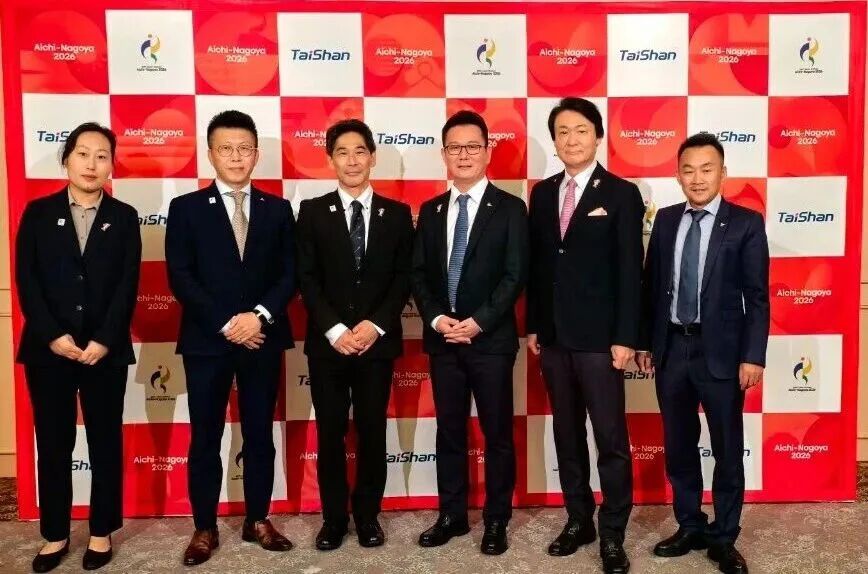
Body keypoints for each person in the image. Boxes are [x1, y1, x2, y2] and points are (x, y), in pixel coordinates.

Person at [165, 110, 296, 566]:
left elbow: (290, 273)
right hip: (207, 341)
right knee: (205, 436)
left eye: (244, 149)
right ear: (210, 154)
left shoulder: (278, 209)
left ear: (256, 154)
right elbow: (181, 276)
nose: (236, 157)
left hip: (262, 338)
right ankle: (204, 526)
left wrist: (258, 317)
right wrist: (227, 323)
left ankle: (258, 519)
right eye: (226, 148)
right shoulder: (185, 208)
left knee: (259, 433)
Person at [636, 132, 769, 574]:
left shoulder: (746, 223)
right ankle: (689, 524)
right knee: (679, 445)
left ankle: (724, 536)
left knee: (727, 448)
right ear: (678, 175)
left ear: (722, 173)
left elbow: (757, 297)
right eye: (688, 170)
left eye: (706, 169)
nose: (697, 178)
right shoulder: (666, 220)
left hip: (723, 355)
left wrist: (753, 356)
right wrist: (646, 342)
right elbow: (651, 287)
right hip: (672, 348)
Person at [526, 97, 644, 574]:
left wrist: (626, 337)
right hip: (554, 338)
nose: (571, 139)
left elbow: (630, 272)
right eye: (562, 132)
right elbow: (539, 267)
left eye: (580, 130)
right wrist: (535, 325)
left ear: (597, 135)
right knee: (567, 433)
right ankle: (579, 520)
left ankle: (613, 531)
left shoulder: (621, 193)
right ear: (554, 141)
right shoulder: (542, 193)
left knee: (610, 438)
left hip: (601, 341)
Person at [16, 122, 141, 572]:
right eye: (83, 154)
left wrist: (104, 339)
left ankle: (102, 531)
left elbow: (127, 284)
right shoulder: (37, 212)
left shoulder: (124, 216)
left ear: (111, 164)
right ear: (66, 159)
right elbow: (27, 281)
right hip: (48, 350)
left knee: (105, 441)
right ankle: (55, 534)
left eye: (102, 155)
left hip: (104, 352)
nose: (92, 164)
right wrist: (53, 335)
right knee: (53, 443)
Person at [411, 110, 528, 555]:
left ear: (487, 151)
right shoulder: (431, 210)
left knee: (497, 434)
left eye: (472, 146)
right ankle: (452, 515)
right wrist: (437, 319)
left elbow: (515, 275)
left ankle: (496, 519)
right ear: (444, 154)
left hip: (491, 341)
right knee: (449, 432)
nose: (463, 155)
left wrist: (478, 322)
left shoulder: (511, 208)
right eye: (455, 147)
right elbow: (418, 275)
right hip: (444, 340)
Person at [296, 119, 413, 550]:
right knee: (330, 434)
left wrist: (375, 325)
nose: (351, 160)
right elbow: (306, 277)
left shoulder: (396, 214)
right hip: (328, 345)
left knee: (371, 431)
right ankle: (333, 519)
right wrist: (334, 329)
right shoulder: (312, 212)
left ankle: (367, 517)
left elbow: (403, 278)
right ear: (330, 159)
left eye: (359, 151)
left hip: (375, 345)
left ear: (372, 157)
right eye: (342, 152)